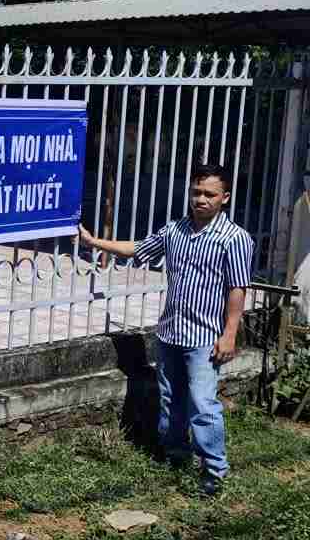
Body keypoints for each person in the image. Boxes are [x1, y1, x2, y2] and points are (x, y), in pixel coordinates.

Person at [78, 162, 254, 496]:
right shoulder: (175, 231)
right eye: (196, 192)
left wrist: (230, 333)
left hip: (205, 337)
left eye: (209, 194)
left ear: (225, 198)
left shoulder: (235, 239)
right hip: (171, 332)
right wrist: (95, 242)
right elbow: (139, 248)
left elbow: (237, 288)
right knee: (171, 398)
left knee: (202, 403)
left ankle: (213, 472)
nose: (201, 199)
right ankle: (175, 455)